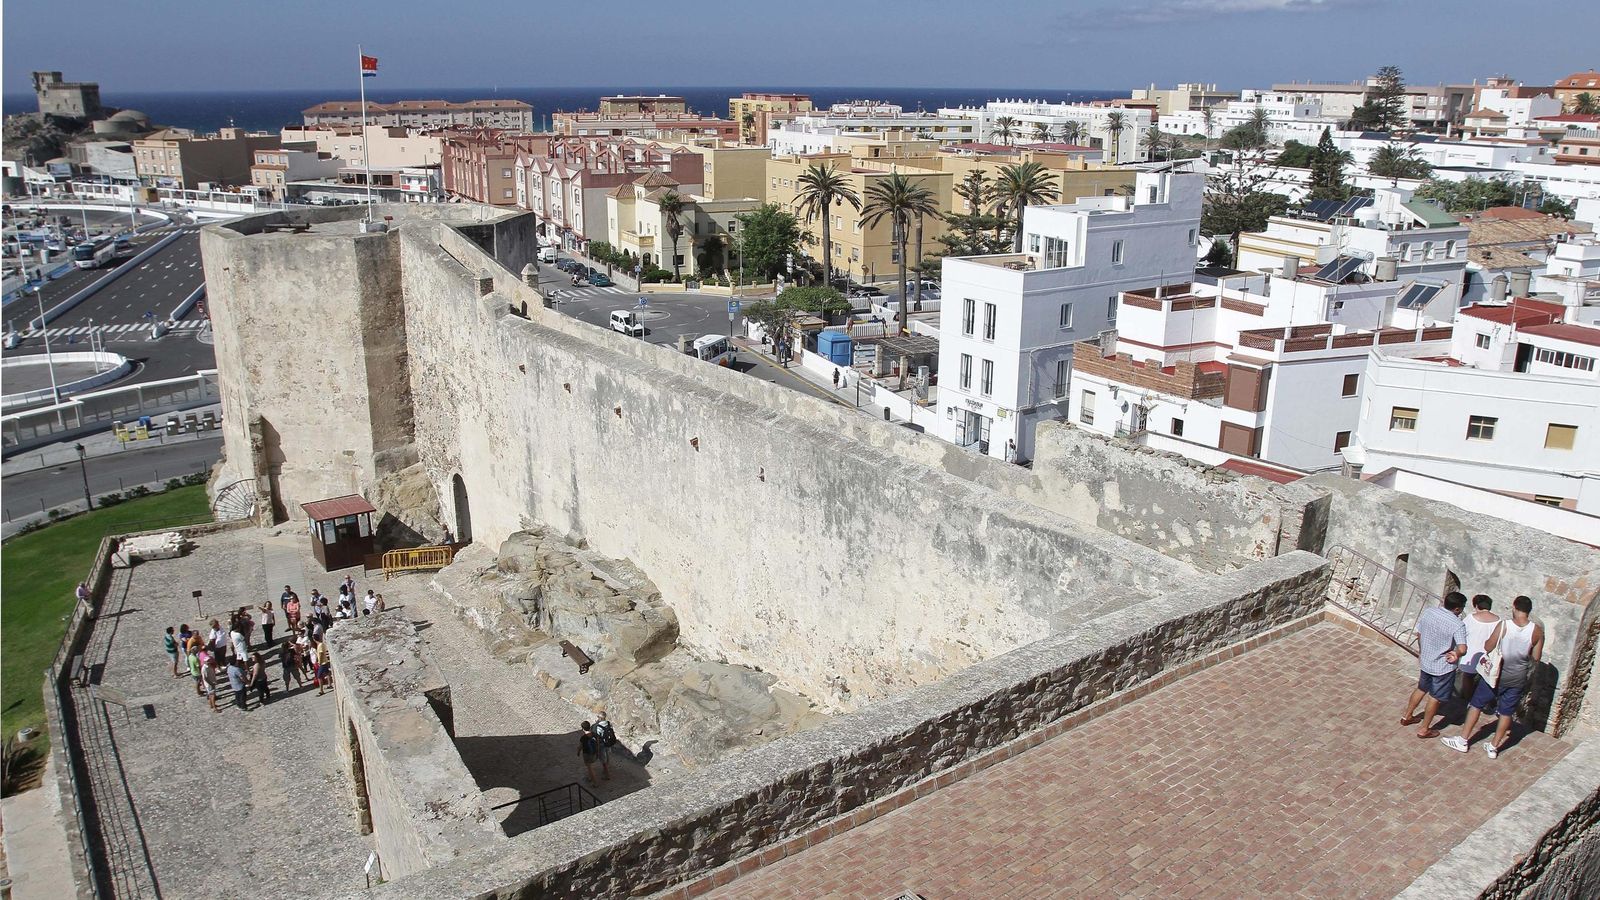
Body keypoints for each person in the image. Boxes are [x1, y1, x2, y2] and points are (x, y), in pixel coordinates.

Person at [1443, 596, 1544, 759]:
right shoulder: (1537, 631)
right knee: (1506, 712)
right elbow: (1536, 656)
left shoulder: (1504, 625)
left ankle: (1463, 740)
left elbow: (1488, 646)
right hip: (1518, 676)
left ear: (1514, 607)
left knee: (1476, 704)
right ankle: (1494, 747)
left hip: (1497, 674)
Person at [1402, 592, 1469, 739]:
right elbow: (1463, 648)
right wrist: (1456, 654)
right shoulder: (1457, 624)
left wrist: (1422, 650)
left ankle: (1407, 716)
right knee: (1435, 697)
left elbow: (1419, 634)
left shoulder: (1429, 612)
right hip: (1442, 667)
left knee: (1421, 688)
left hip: (1426, 661)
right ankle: (1424, 729)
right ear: (1457, 609)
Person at [1457, 595, 1500, 698]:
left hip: (1471, 654)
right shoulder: (1499, 620)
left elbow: (1461, 633)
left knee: (1468, 678)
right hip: (1488, 656)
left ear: (1476, 606)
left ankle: (1467, 699)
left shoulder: (1471, 618)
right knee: (1484, 679)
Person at [591, 711, 615, 781]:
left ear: (600, 718)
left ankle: (607, 775)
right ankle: (606, 769)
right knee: (607, 756)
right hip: (608, 742)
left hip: (602, 745)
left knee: (603, 760)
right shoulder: (608, 723)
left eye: (598, 717)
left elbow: (597, 737)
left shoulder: (598, 726)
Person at [577, 721, 601, 786]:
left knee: (590, 768)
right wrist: (598, 752)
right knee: (590, 766)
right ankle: (590, 777)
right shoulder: (595, 734)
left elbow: (580, 746)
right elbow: (598, 744)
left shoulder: (583, 738)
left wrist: (578, 752)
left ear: (583, 729)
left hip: (587, 754)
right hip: (594, 753)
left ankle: (595, 783)